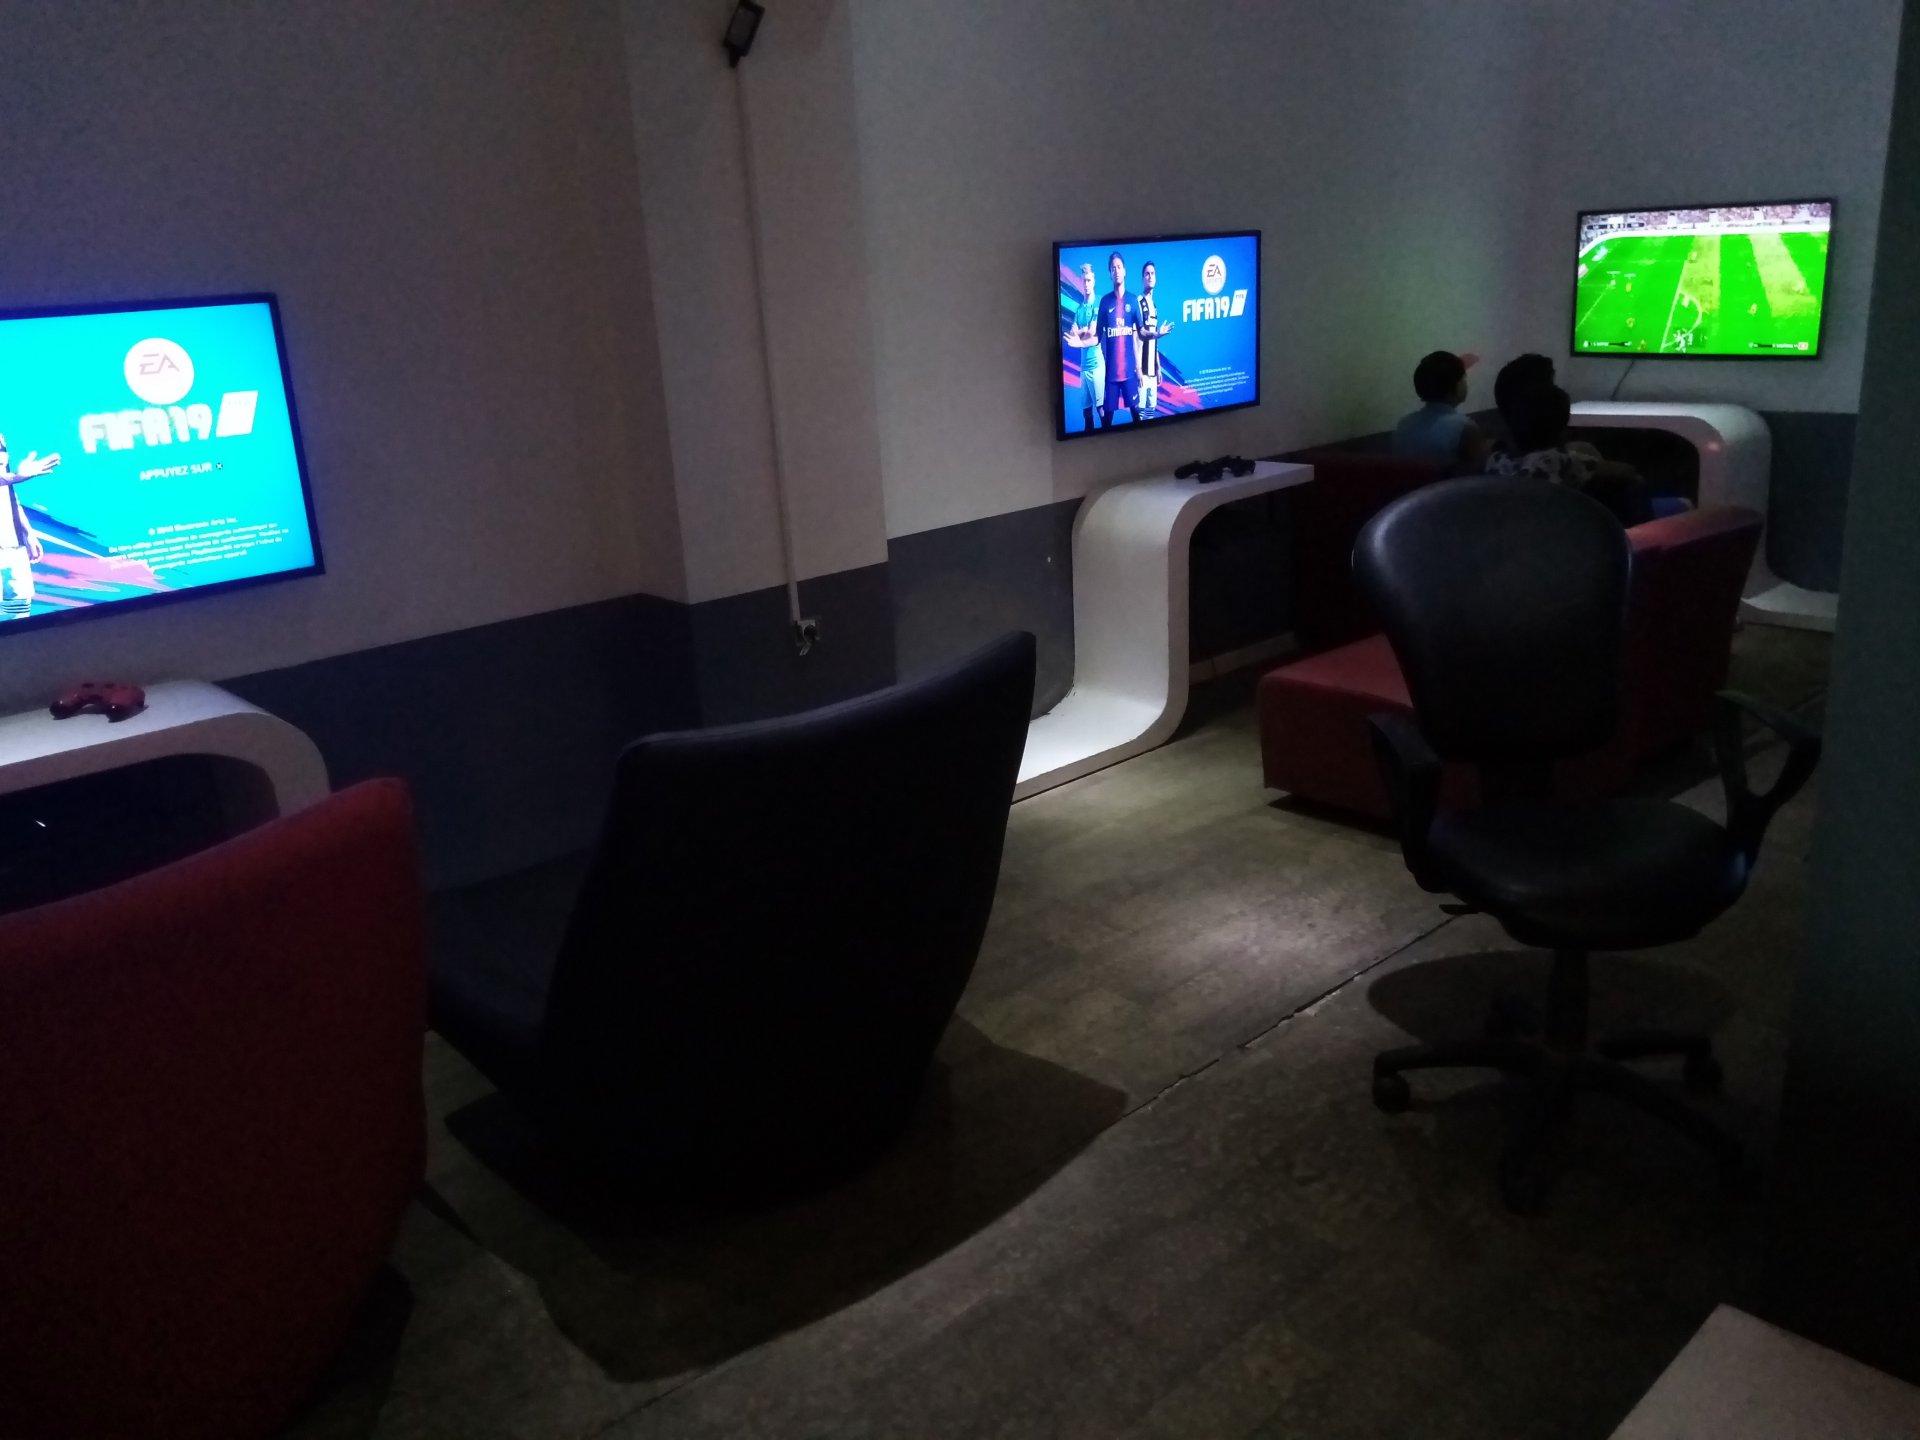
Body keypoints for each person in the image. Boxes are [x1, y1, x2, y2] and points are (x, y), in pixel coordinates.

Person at [1487, 383, 1650, 524]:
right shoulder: (1560, 460)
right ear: (1562, 428)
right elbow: (1623, 470)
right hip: (1560, 529)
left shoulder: (1496, 459)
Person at [0, 430, 61, 622]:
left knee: (19, 609)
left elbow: (9, 495)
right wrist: (18, 476)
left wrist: (27, 532)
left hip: (12, 546)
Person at [1391, 350, 1488, 472]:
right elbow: (1479, 474)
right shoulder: (1465, 428)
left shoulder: (1404, 425)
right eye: (1463, 379)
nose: (1466, 383)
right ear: (1456, 386)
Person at [1096, 250, 1141, 426]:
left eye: (1119, 267)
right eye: (1113, 268)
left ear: (1125, 270)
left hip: (1129, 373)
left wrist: (1155, 334)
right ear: (1110, 273)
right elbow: (1097, 336)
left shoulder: (1133, 300)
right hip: (1111, 375)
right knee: (1107, 420)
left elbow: (1140, 334)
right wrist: (1081, 342)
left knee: (1136, 415)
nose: (1116, 270)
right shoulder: (1105, 301)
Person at [1062, 263, 1104, 432]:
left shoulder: (1098, 302)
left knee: (1101, 410)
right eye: (1084, 280)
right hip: (1083, 367)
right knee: (1086, 411)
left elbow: (1093, 332)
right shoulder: (1079, 309)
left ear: (1094, 281)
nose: (1086, 284)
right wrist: (1081, 331)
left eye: (1089, 280)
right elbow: (1073, 332)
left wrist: (1080, 333)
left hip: (1096, 366)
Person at [1134, 260, 1175, 418]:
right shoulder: (1139, 302)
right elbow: (1137, 337)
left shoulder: (1154, 306)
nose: (1150, 276)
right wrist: (1138, 369)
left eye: (1153, 273)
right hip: (1142, 371)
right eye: (1147, 274)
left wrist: (1158, 367)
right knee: (1140, 412)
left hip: (1152, 370)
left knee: (1150, 411)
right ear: (1142, 278)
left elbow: (1154, 342)